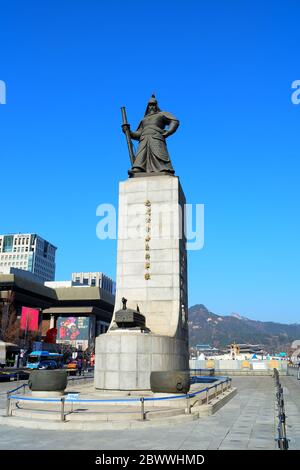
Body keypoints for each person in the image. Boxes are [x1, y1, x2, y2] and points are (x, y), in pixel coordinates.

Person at [124, 95, 179, 176]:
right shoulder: (144, 119)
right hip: (143, 139)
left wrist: (169, 131)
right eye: (150, 105)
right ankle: (138, 168)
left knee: (159, 154)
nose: (152, 107)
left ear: (156, 106)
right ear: (147, 106)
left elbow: (174, 121)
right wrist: (128, 132)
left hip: (156, 137)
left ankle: (162, 168)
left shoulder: (161, 114)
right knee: (140, 156)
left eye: (153, 105)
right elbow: (138, 134)